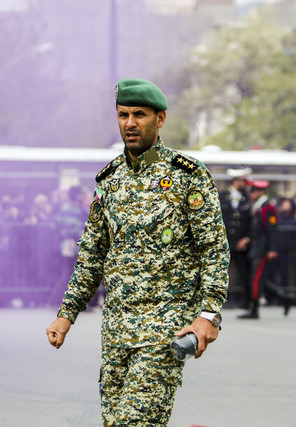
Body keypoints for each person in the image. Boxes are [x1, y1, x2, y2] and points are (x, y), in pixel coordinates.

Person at [45, 79, 229, 426]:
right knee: (115, 422)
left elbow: (213, 250)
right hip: (116, 331)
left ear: (160, 119)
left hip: (164, 330)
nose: (130, 123)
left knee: (136, 423)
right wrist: (66, 314)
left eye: (139, 115)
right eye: (123, 115)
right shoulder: (110, 180)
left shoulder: (187, 176)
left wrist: (208, 313)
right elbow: (92, 255)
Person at [238, 180, 279, 319]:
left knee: (256, 280)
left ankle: (254, 309)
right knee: (256, 279)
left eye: (253, 192)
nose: (251, 194)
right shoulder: (258, 207)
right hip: (256, 247)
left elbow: (273, 230)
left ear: (261, 192)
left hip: (263, 248)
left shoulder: (268, 208)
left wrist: (273, 249)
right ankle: (285, 297)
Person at [219, 168, 253, 308]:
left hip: (240, 243)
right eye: (243, 181)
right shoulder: (222, 196)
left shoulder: (247, 198)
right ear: (236, 181)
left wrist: (246, 238)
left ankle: (247, 302)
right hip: (225, 241)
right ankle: (220, 301)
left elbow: (250, 221)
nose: (245, 184)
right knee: (221, 273)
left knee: (244, 273)